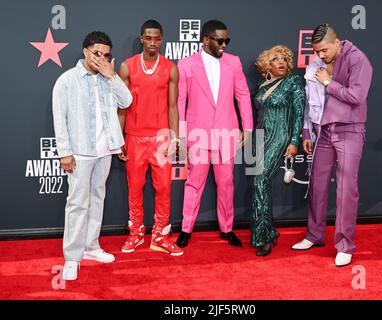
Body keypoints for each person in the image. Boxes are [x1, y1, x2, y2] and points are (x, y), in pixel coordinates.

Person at [52, 31, 132, 280]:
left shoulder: (109, 78)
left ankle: (91, 247)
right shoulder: (67, 80)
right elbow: (60, 118)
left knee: (98, 197)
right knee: (76, 204)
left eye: (106, 55)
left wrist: (113, 76)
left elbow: (127, 101)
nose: (101, 59)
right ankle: (72, 258)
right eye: (97, 53)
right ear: (85, 51)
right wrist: (64, 152)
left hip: (105, 150)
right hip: (80, 152)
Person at [292, 24, 373, 267]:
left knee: (346, 189)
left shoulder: (358, 60)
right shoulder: (316, 63)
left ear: (337, 42)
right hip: (322, 130)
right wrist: (307, 130)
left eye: (324, 50)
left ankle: (345, 245)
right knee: (317, 185)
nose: (321, 55)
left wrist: (329, 82)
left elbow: (357, 97)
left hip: (349, 130)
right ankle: (314, 235)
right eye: (317, 51)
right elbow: (310, 100)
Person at [176, 20, 253, 248]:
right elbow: (180, 99)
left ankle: (227, 228)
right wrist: (181, 132)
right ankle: (186, 229)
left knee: (227, 183)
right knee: (194, 183)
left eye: (227, 40)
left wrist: (247, 127)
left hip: (227, 132)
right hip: (197, 134)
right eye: (219, 40)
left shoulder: (234, 62)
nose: (224, 45)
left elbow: (243, 95)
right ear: (205, 40)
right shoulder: (186, 64)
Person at [118, 20, 183, 256]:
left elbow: (173, 106)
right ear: (142, 38)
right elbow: (122, 107)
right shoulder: (127, 67)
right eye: (148, 37)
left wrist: (175, 138)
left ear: (162, 39)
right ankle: (135, 233)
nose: (152, 42)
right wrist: (119, 139)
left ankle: (160, 236)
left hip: (161, 138)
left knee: (164, 187)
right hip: (134, 137)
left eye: (156, 38)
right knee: (134, 187)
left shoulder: (170, 68)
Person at [250, 45, 305, 256]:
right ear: (267, 65)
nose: (281, 62)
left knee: (260, 180)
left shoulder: (292, 82)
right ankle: (265, 231)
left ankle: (264, 236)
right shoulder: (262, 86)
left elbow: (299, 113)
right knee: (258, 185)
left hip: (280, 137)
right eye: (275, 59)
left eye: (284, 59)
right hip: (260, 139)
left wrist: (294, 141)